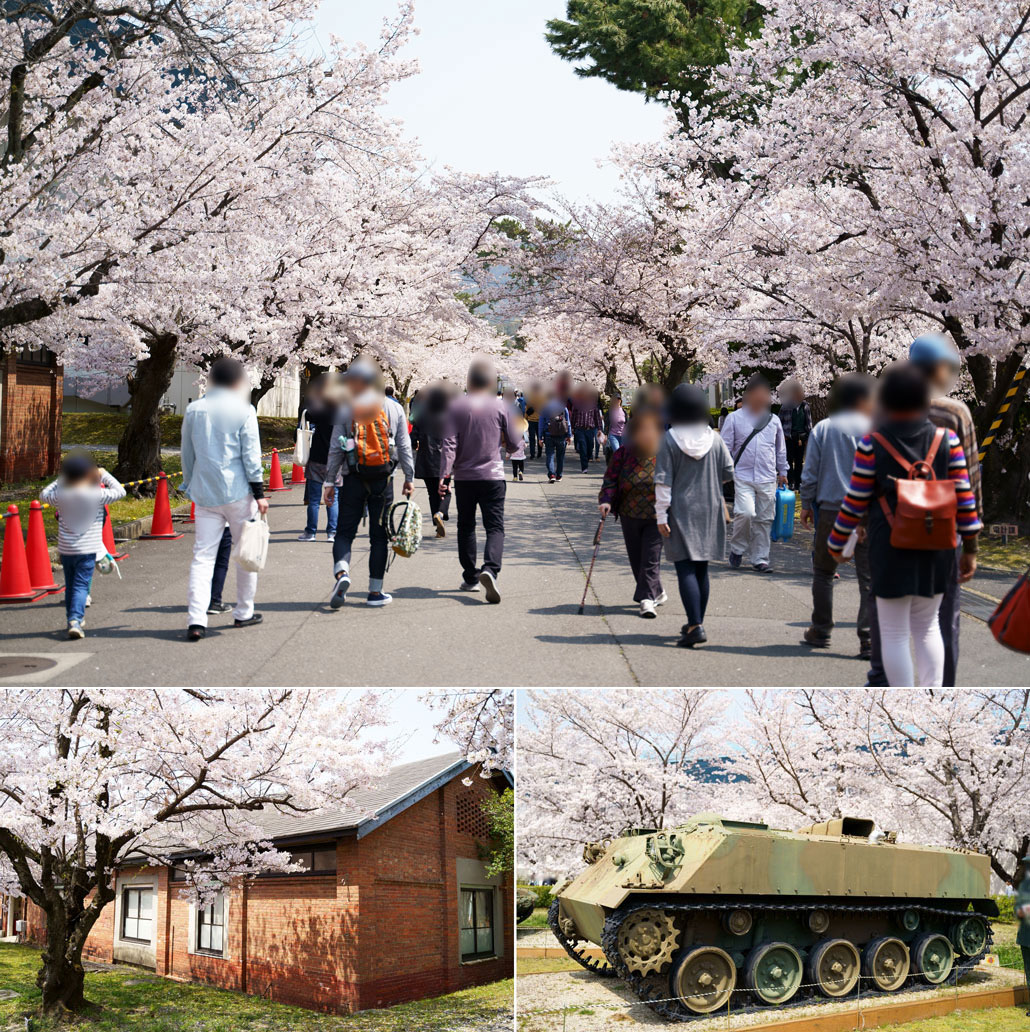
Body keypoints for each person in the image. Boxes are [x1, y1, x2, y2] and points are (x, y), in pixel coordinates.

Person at [827, 363, 981, 687]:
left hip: (890, 546)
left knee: (895, 633)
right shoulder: (947, 440)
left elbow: (854, 501)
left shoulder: (872, 443)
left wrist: (836, 543)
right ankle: (932, 695)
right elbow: (964, 499)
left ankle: (902, 696)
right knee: (928, 628)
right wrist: (970, 548)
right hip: (938, 545)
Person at [908, 332, 983, 687]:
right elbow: (969, 479)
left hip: (896, 528)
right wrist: (972, 543)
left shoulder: (888, 408)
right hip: (944, 527)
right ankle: (943, 688)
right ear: (939, 369)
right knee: (944, 618)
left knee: (894, 621)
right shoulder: (955, 412)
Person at [181, 356, 268, 642]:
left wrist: (190, 484)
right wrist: (259, 494)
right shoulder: (245, 411)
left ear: (211, 380)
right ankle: (243, 612)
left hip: (205, 494)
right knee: (245, 554)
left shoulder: (194, 410)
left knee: (202, 557)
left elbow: (187, 455)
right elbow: (251, 457)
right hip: (239, 493)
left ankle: (196, 620)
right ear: (237, 381)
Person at [324, 359, 414, 609]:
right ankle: (375, 593)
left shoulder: (345, 408)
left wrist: (329, 482)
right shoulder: (393, 408)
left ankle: (342, 573)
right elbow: (404, 447)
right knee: (379, 537)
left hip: (353, 477)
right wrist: (409, 477)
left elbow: (335, 449)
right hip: (383, 481)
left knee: (344, 532)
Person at [799, 374, 875, 656]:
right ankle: (868, 638)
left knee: (823, 572)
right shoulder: (877, 428)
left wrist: (806, 503)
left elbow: (811, 471)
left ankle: (821, 630)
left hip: (832, 510)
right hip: (868, 512)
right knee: (869, 578)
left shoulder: (823, 428)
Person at [655, 385, 735, 647]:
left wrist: (661, 515)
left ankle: (695, 626)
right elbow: (728, 472)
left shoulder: (670, 439)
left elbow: (664, 482)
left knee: (685, 567)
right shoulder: (714, 438)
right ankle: (694, 622)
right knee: (702, 568)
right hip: (710, 508)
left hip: (681, 510)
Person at [439, 360, 522, 602]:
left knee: (466, 526)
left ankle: (471, 577)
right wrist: (506, 443)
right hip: (493, 476)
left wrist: (445, 476)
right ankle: (490, 569)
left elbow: (449, 444)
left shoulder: (456, 406)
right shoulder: (501, 406)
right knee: (495, 526)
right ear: (490, 383)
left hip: (465, 478)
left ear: (468, 381)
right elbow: (516, 442)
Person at [40, 453, 126, 639]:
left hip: (66, 550)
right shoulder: (96, 494)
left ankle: (71, 618)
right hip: (88, 550)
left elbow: (43, 495)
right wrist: (103, 474)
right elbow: (120, 491)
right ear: (89, 474)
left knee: (71, 586)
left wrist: (61, 479)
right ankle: (76, 620)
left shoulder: (61, 495)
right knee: (80, 586)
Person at [598, 408, 668, 618]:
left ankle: (646, 600)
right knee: (636, 559)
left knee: (650, 558)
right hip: (629, 514)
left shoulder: (665, 454)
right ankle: (657, 590)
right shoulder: (623, 454)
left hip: (657, 516)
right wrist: (606, 501)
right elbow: (610, 480)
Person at [720, 374, 788, 572]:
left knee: (765, 519)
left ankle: (760, 558)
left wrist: (782, 470)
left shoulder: (774, 420)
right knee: (746, 513)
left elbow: (780, 448)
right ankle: (737, 548)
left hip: (767, 476)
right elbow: (724, 447)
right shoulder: (734, 418)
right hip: (742, 476)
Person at [296, 374, 340, 542]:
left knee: (314, 499)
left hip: (317, 458)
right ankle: (332, 532)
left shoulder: (320, 410)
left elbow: (305, 414)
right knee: (333, 498)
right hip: (335, 460)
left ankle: (311, 532)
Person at [410, 381, 453, 537]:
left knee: (432, 493)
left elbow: (413, 435)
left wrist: (415, 443)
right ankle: (441, 514)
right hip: (444, 459)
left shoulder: (423, 415)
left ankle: (437, 524)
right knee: (445, 491)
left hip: (426, 458)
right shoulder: (449, 416)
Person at [778, 378, 812, 491]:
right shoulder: (786, 406)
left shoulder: (805, 406)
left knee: (799, 461)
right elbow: (779, 422)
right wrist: (782, 434)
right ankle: (791, 482)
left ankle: (799, 482)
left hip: (801, 437)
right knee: (788, 460)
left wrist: (809, 436)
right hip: (789, 436)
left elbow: (808, 422)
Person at [539, 386, 573, 484]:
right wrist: (569, 435)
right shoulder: (563, 407)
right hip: (561, 434)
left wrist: (540, 437)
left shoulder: (545, 408)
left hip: (548, 434)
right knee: (560, 456)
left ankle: (551, 474)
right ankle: (559, 475)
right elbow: (568, 422)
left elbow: (541, 424)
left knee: (549, 455)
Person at [571, 384, 605, 472]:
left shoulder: (593, 405)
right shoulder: (577, 405)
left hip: (590, 429)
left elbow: (597, 417)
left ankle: (589, 456)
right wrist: (572, 427)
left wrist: (600, 429)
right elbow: (573, 417)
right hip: (580, 429)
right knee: (582, 447)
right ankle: (584, 467)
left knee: (590, 447)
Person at [207, 527, 234, 614]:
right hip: (225, 525)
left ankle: (199, 602)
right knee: (221, 564)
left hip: (206, 525)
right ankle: (215, 601)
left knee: (203, 563)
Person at [525, 381, 546, 459]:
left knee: (532, 438)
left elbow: (527, 409)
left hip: (531, 420)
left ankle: (532, 454)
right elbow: (545, 409)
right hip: (540, 420)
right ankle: (539, 452)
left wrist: (525, 418)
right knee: (540, 437)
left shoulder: (530, 398)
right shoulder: (543, 398)